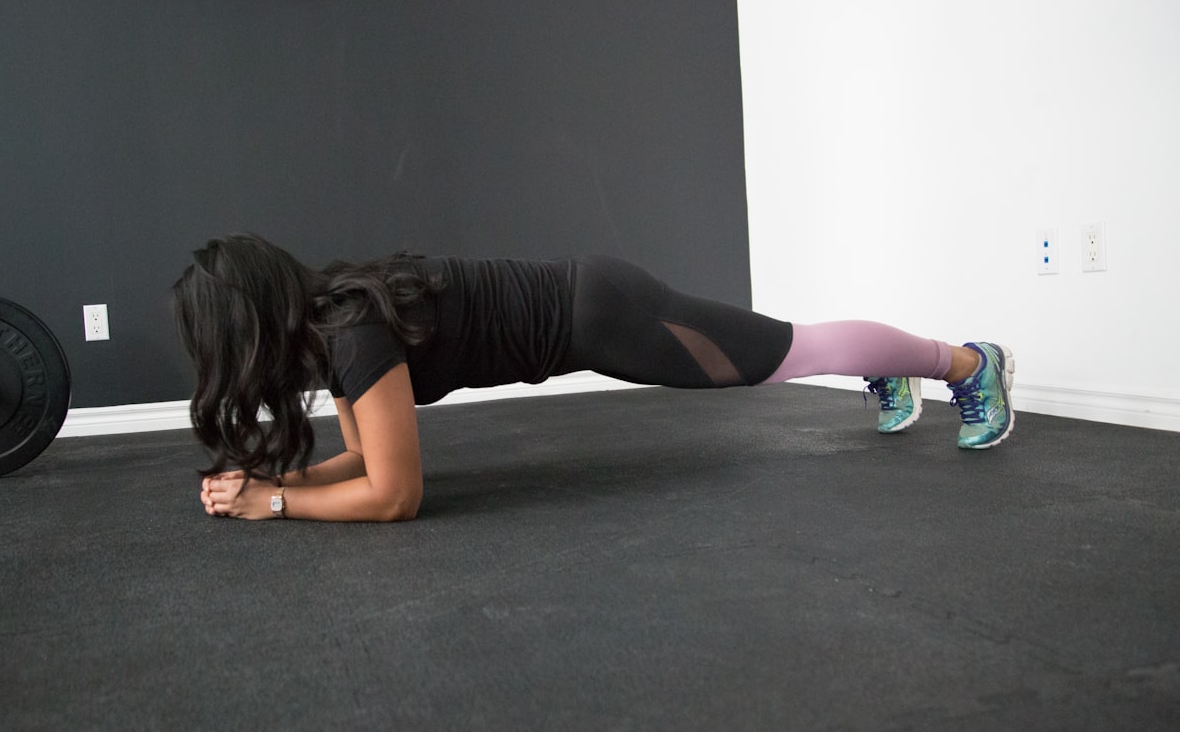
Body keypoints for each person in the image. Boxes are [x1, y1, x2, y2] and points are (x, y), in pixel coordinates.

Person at [173, 234, 1015, 523]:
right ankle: (893, 371)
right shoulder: (334, 326)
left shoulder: (351, 332)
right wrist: (276, 479)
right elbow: (365, 464)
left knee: (782, 354)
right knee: (784, 352)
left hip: (603, 312)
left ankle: (969, 363)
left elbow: (395, 496)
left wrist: (275, 502)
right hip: (589, 304)